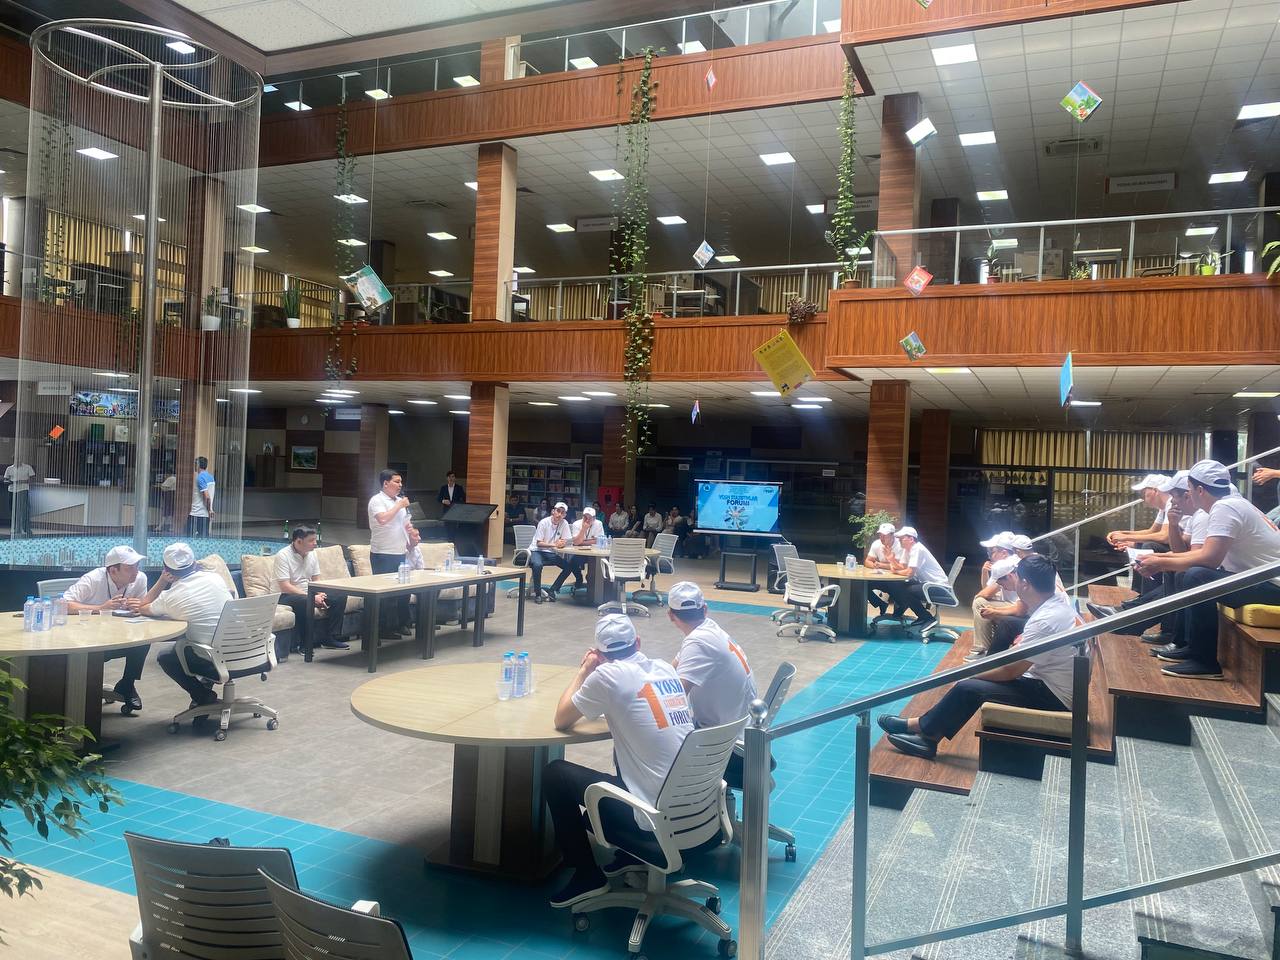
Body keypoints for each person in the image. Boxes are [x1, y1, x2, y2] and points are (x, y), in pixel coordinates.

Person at [544, 614, 694, 908]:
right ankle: (630, 856)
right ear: (637, 642)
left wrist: (584, 670)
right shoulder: (664, 668)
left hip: (656, 819)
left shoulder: (606, 676)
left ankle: (587, 875)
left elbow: (562, 719)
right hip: (695, 809)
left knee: (555, 774)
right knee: (629, 753)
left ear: (601, 655)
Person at [879, 554, 1082, 759]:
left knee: (969, 687)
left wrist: (970, 673)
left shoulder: (1045, 620)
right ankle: (923, 730)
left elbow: (1011, 671)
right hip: (1050, 684)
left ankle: (923, 734)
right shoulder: (1056, 603)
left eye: (1017, 576)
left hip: (1053, 696)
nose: (1014, 581)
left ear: (1025, 584)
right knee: (975, 680)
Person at [1134, 460, 1280, 680]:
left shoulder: (1225, 507)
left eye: (1189, 490)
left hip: (1273, 587)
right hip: (1263, 582)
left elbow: (1209, 559)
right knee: (1189, 573)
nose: (1187, 496)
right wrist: (1158, 558)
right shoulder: (1231, 504)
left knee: (1197, 575)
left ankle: (1205, 662)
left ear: (1200, 490)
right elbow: (1202, 554)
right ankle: (1190, 647)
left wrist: (1160, 562)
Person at [142, 543, 235, 720]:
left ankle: (203, 696)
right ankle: (204, 693)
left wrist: (162, 580)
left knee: (167, 656)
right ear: (194, 563)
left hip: (214, 658)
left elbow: (143, 607)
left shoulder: (171, 597)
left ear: (166, 569)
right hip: (248, 652)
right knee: (197, 641)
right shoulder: (216, 578)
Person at [63, 544, 150, 711]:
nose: (136, 571)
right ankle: (80, 692)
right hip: (86, 639)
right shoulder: (93, 579)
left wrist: (139, 606)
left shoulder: (140, 579)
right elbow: (64, 604)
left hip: (118, 635)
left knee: (144, 640)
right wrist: (101, 608)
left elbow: (143, 607)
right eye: (130, 568)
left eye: (137, 566)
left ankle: (127, 683)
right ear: (113, 570)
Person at [274, 524, 349, 652]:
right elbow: (285, 586)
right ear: (299, 541)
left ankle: (329, 638)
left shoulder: (312, 554)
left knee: (339, 596)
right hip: (285, 595)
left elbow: (316, 579)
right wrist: (311, 597)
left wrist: (320, 594)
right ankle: (304, 644)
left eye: (315, 539)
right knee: (306, 602)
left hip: (308, 592)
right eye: (311, 540)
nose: (315, 543)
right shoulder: (283, 555)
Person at [368, 469, 413, 636]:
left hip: (400, 551)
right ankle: (382, 629)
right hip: (383, 553)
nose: (400, 485)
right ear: (386, 483)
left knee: (403, 591)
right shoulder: (377, 500)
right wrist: (399, 506)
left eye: (401, 482)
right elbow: (383, 519)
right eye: (397, 481)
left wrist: (411, 531)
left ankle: (401, 624)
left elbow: (405, 523)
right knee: (385, 594)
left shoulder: (400, 501)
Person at [885, 526, 948, 631]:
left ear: (911, 539)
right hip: (926, 584)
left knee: (907, 590)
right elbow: (902, 567)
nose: (899, 540)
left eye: (902, 538)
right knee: (898, 585)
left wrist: (895, 572)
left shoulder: (917, 549)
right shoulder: (907, 550)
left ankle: (928, 618)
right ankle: (919, 615)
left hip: (939, 587)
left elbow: (909, 573)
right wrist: (891, 560)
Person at [967, 555, 1023, 662]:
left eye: (1002, 584)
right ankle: (986, 651)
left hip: (1031, 620)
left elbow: (1021, 610)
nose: (1002, 587)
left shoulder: (1023, 583)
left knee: (1004, 621)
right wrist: (993, 609)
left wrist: (995, 611)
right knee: (981, 604)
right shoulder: (1014, 575)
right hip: (1023, 613)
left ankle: (987, 652)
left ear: (1009, 576)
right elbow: (985, 592)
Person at [551, 506, 604, 596]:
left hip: (595, 553)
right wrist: (584, 529)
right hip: (580, 552)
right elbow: (576, 542)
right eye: (585, 517)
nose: (587, 520)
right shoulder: (576, 524)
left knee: (596, 565)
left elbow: (599, 541)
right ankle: (579, 579)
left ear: (594, 518)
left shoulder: (598, 524)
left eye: (589, 518)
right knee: (572, 562)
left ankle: (592, 583)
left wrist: (582, 541)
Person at [529, 501, 572, 603]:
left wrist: (563, 542)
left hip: (550, 552)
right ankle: (538, 594)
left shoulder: (564, 523)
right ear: (553, 511)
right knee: (537, 565)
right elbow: (539, 543)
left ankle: (553, 590)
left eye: (562, 512)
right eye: (558, 511)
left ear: (565, 515)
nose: (559, 514)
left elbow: (567, 540)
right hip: (537, 550)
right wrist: (555, 545)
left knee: (568, 567)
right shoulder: (543, 522)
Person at [863, 522, 901, 616]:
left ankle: (898, 613)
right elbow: (867, 561)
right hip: (882, 577)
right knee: (863, 585)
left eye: (885, 535)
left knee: (899, 591)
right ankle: (880, 603)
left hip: (898, 579)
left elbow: (899, 566)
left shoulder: (900, 545)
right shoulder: (877, 544)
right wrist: (874, 565)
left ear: (892, 535)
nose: (881, 538)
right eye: (880, 535)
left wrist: (880, 565)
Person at [5, 458, 35, 536]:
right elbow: (5, 479)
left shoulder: (27, 467)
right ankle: (16, 528)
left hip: (23, 490)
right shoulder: (9, 468)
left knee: (24, 510)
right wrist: (11, 482)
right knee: (13, 509)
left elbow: (32, 479)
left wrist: (22, 481)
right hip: (12, 490)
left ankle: (25, 528)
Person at [187, 457, 215, 538]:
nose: (194, 466)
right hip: (205, 515)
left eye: (195, 464)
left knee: (189, 538)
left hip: (197, 513)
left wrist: (209, 510)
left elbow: (207, 497)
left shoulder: (200, 478)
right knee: (203, 539)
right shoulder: (211, 477)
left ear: (198, 465)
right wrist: (210, 510)